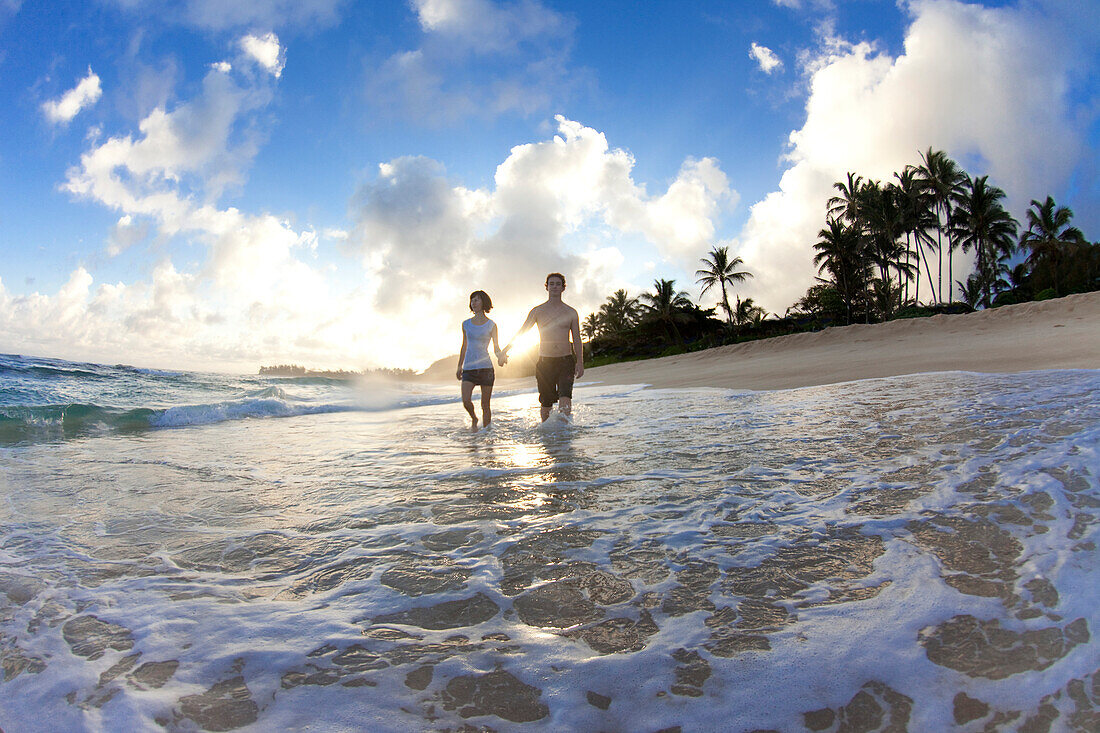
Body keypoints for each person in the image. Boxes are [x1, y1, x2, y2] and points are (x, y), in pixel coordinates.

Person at [501, 272, 584, 422]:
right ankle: (548, 434)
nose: (554, 287)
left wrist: (580, 362)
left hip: (566, 361)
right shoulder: (537, 311)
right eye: (551, 284)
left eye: (558, 284)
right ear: (546, 287)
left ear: (563, 288)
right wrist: (505, 350)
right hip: (545, 363)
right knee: (546, 402)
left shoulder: (571, 312)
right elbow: (522, 332)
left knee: (565, 396)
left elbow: (577, 339)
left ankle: (564, 435)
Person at [456, 290, 503, 431]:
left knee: (485, 405)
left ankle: (487, 433)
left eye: (477, 300)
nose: (473, 303)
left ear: (484, 302)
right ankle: (474, 418)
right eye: (472, 300)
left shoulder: (491, 325)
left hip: (486, 368)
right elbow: (464, 346)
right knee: (466, 401)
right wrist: (459, 366)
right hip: (469, 368)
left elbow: (496, 348)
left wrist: (501, 356)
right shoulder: (466, 324)